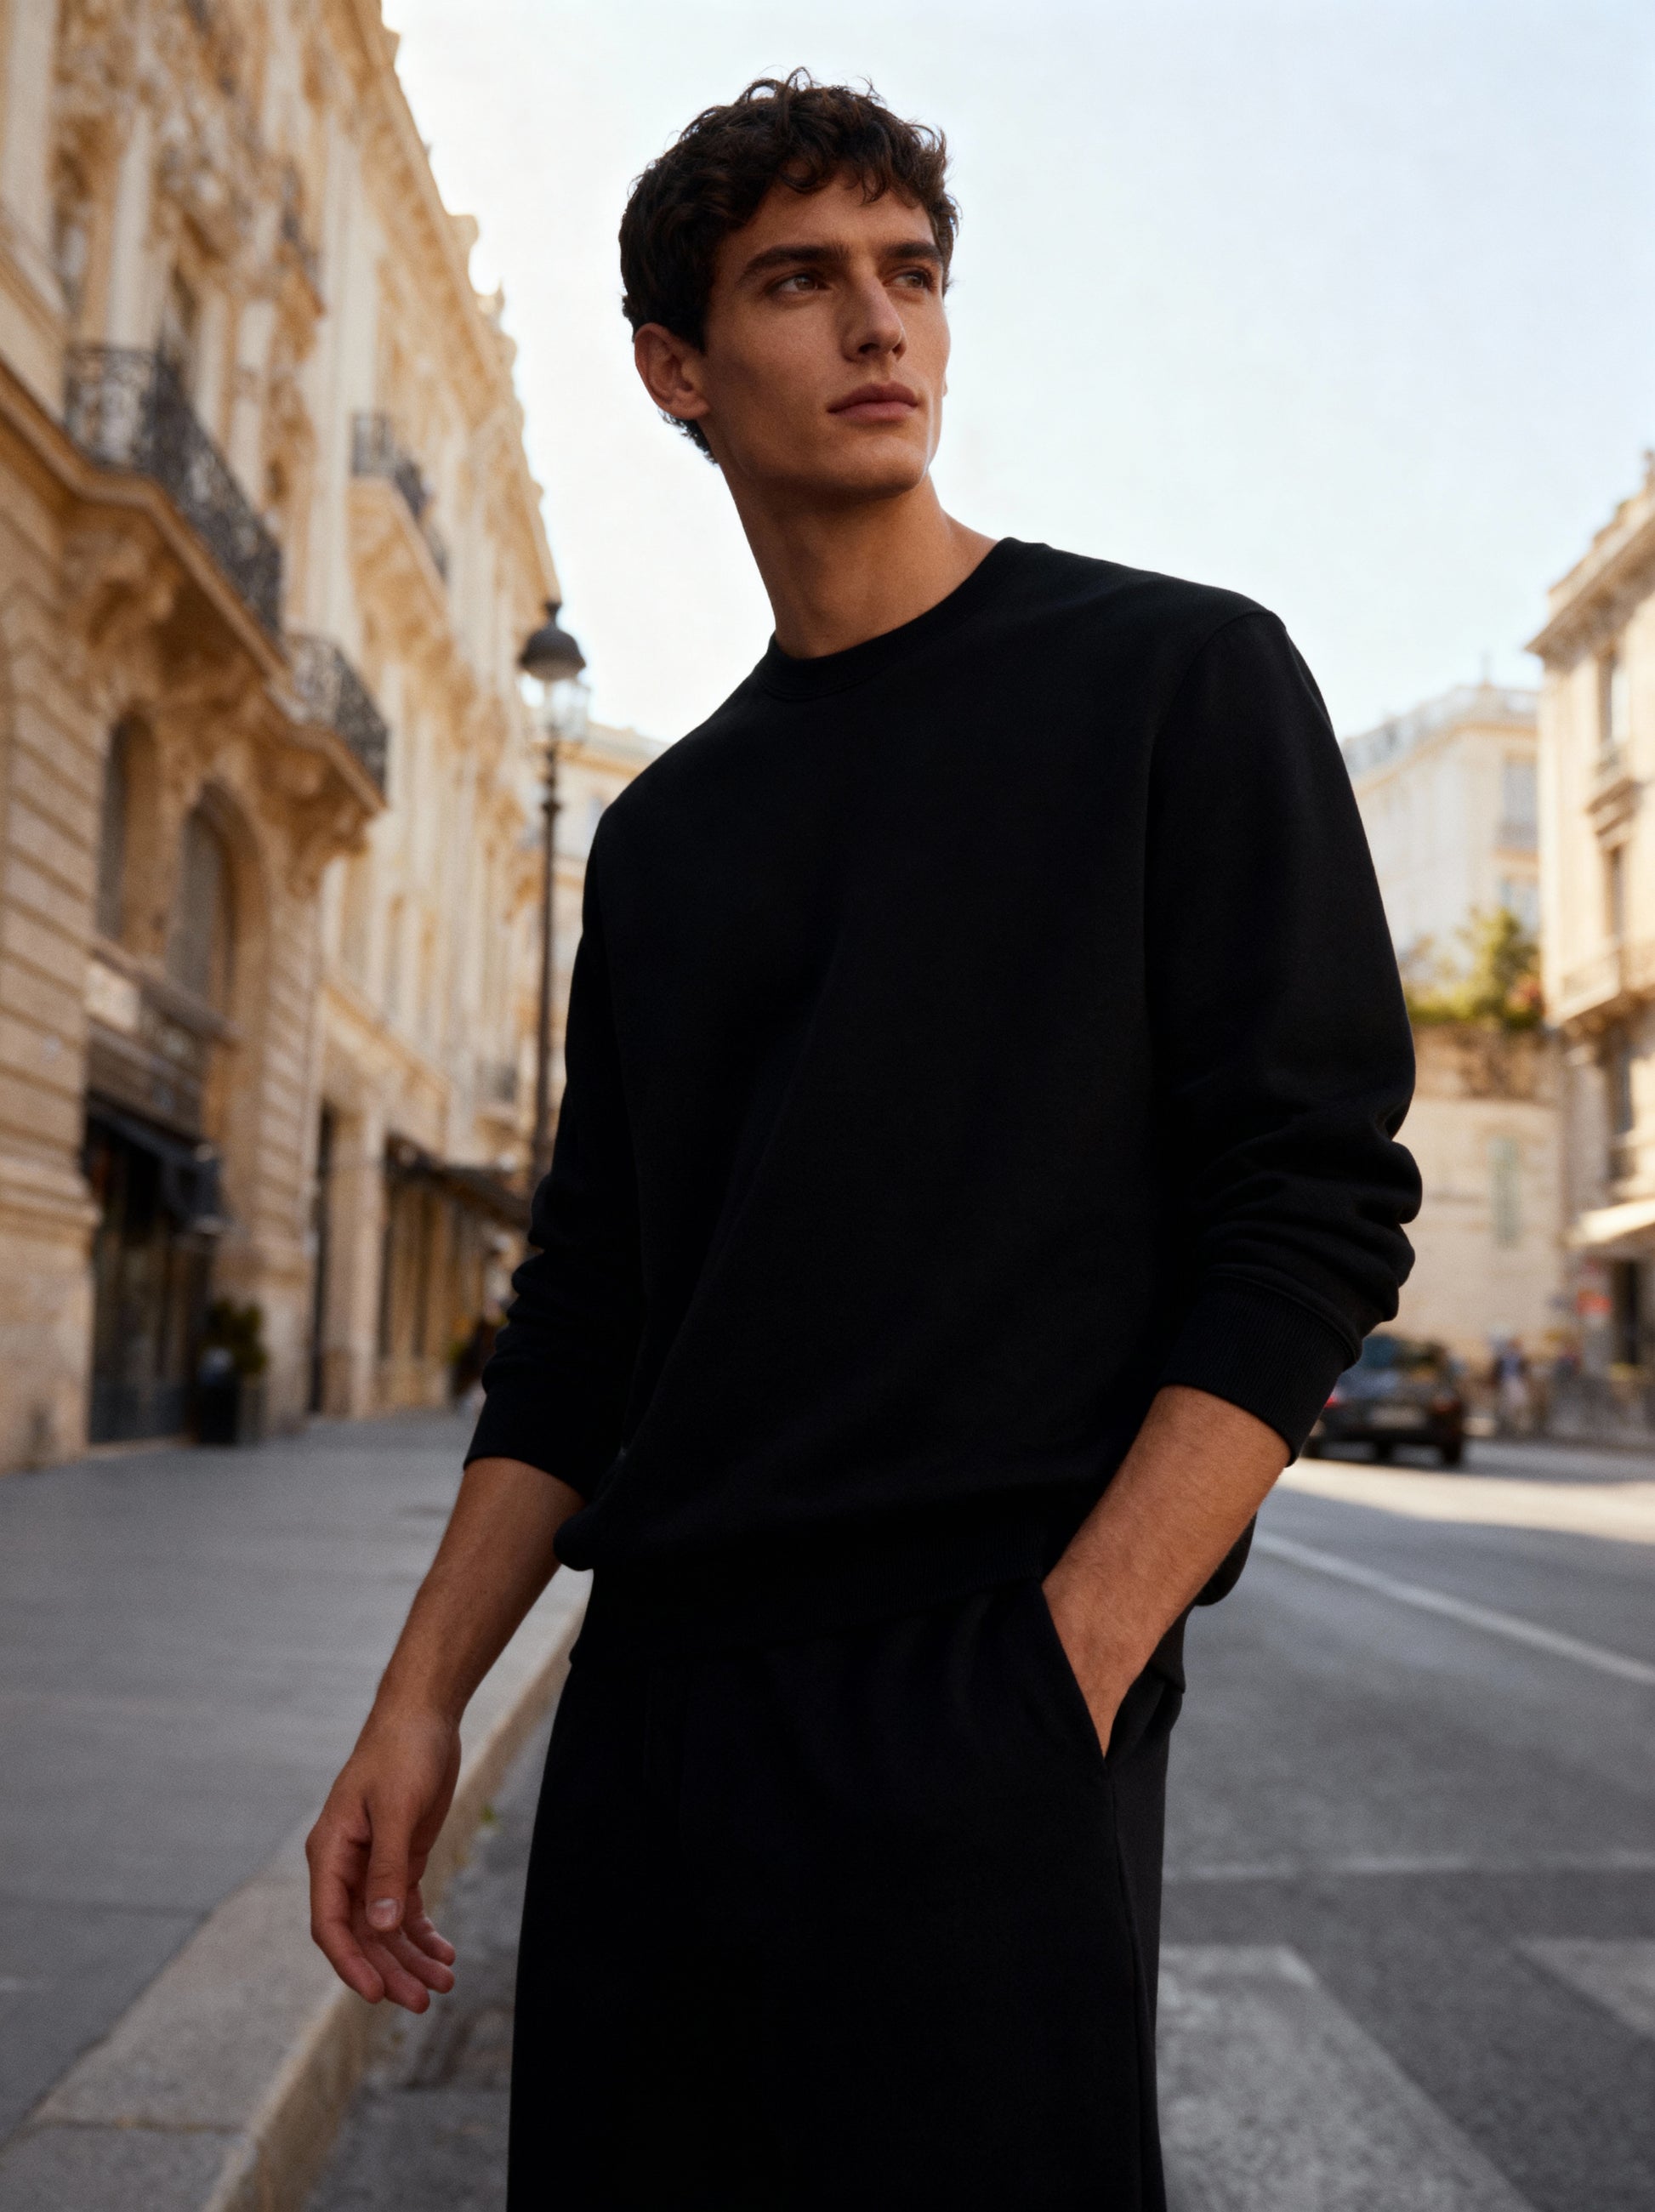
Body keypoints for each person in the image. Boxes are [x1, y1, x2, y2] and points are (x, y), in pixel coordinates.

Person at [306, 73, 1419, 2209]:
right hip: (659, 1716)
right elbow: (591, 1307)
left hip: (981, 1682)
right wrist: (420, 1700)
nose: (876, 327)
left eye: (907, 275)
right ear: (679, 368)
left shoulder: (1178, 680)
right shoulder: (663, 837)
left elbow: (1314, 1199)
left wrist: (1070, 1651)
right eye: (799, 284)